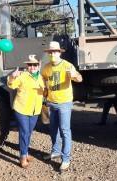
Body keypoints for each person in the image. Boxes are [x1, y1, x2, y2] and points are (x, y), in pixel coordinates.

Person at [42, 41, 83, 172]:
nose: (52, 54)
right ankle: (55, 152)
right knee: (53, 128)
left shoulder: (67, 65)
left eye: (54, 52)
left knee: (65, 130)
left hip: (64, 103)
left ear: (59, 53)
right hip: (51, 102)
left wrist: (74, 75)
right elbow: (43, 79)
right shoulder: (47, 67)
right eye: (50, 52)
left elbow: (80, 78)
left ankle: (65, 159)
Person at [7, 55, 46, 169]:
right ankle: (22, 156)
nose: (32, 67)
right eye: (30, 65)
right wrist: (12, 77)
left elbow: (44, 92)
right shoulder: (23, 76)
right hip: (22, 109)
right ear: (27, 66)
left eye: (34, 65)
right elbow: (12, 85)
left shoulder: (41, 78)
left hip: (35, 110)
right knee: (24, 132)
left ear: (38, 66)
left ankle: (26, 152)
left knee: (29, 132)